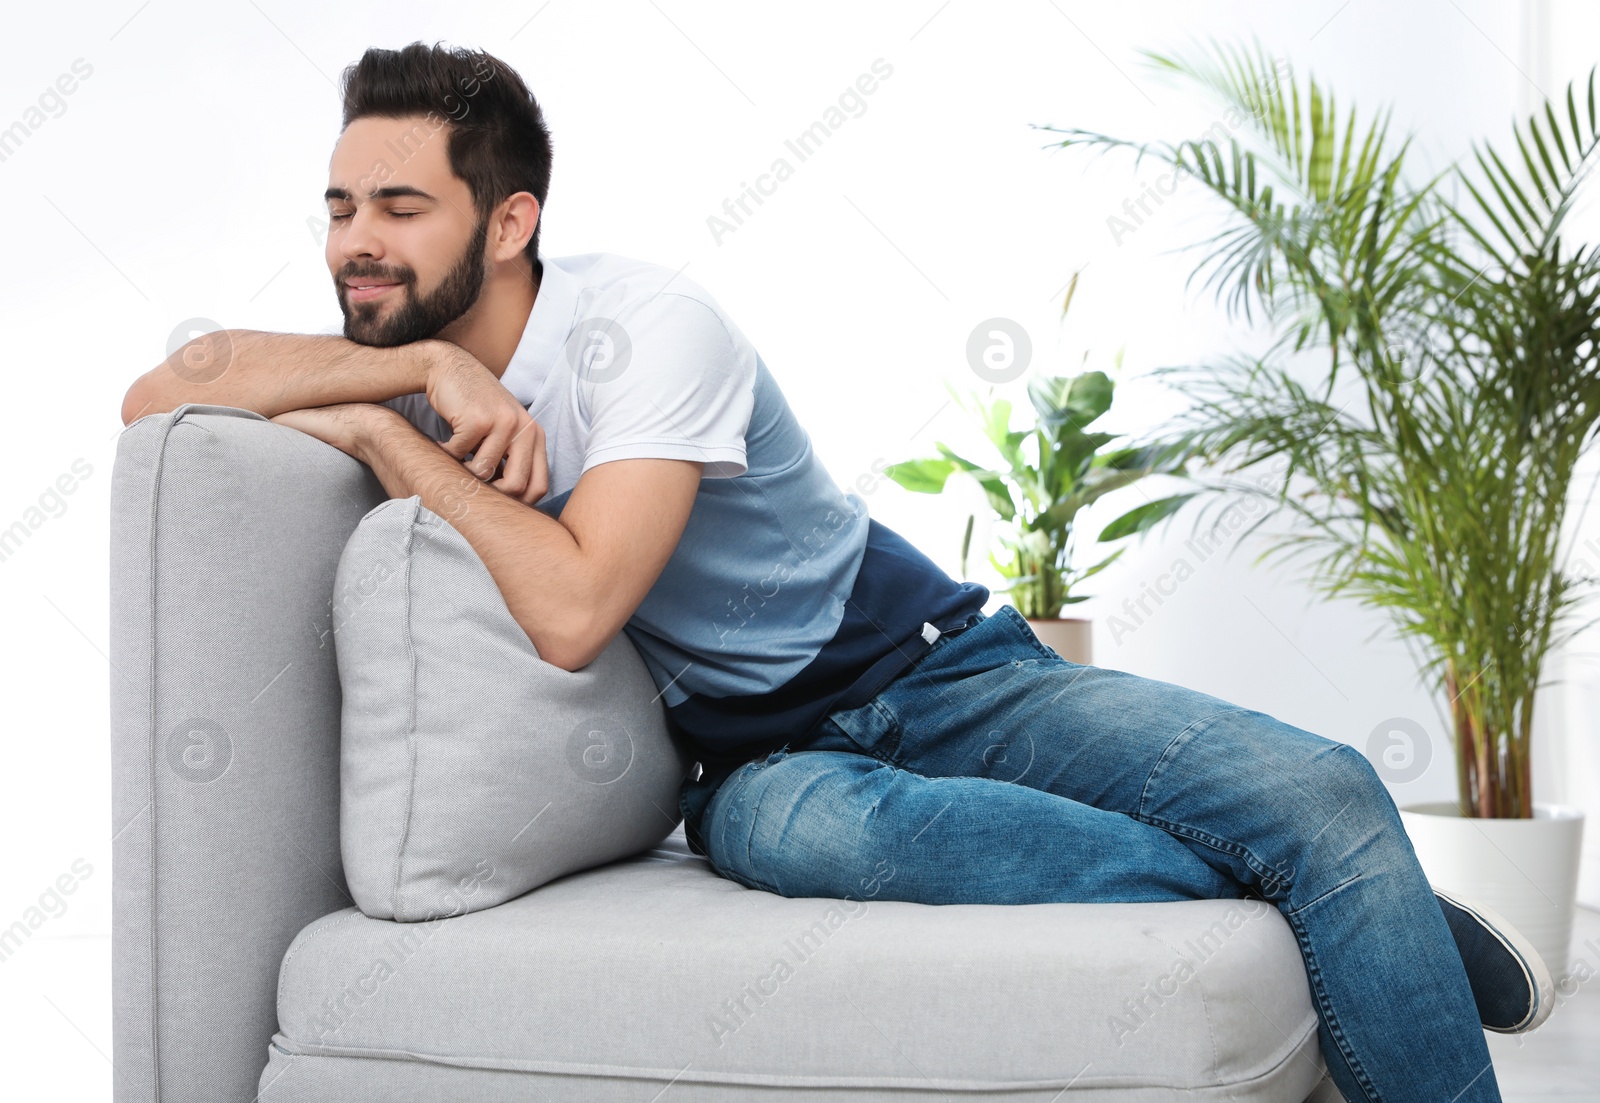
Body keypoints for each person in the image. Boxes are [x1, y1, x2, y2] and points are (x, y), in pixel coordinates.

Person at [120, 41, 1553, 1103]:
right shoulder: (415, 354)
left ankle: (1368, 897)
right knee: (837, 850)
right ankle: (1368, 913)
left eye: (399, 206)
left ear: (509, 222)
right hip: (751, 771)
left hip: (941, 672)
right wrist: (410, 375)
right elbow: (156, 399)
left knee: (1323, 793)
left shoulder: (650, 331)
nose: (356, 241)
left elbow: (572, 610)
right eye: (337, 205)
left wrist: (392, 426)